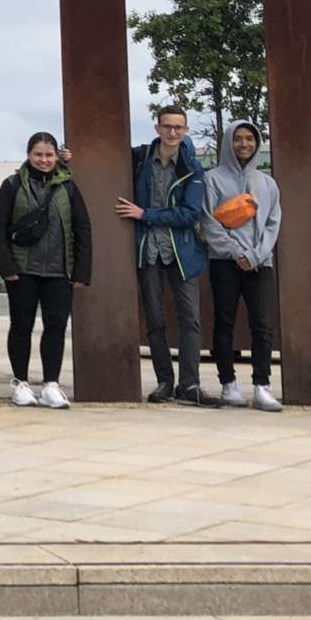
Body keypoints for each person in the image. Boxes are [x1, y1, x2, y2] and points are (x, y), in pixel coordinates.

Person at [0, 132, 92, 408]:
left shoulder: (68, 187)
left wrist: (82, 271)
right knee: (22, 325)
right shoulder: (11, 185)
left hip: (59, 271)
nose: (44, 160)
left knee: (56, 327)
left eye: (49, 155)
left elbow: (82, 227)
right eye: (38, 154)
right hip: (22, 270)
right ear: (28, 155)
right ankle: (20, 382)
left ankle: (51, 384)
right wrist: (6, 265)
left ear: (56, 156)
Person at [117, 106, 208, 405]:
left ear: (186, 130)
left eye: (178, 127)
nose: (172, 132)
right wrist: (69, 159)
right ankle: (165, 383)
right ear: (157, 128)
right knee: (155, 321)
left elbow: (190, 213)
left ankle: (190, 384)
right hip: (148, 251)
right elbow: (104, 161)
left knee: (190, 320)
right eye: (167, 126)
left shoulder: (193, 168)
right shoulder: (139, 158)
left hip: (182, 251)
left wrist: (146, 214)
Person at [200, 120, 283, 412]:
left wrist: (257, 255)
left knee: (263, 325)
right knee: (225, 323)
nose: (244, 144)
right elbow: (208, 221)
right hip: (225, 262)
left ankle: (262, 385)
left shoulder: (268, 183)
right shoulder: (212, 179)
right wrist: (235, 252)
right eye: (238, 139)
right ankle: (228, 384)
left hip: (260, 263)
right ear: (228, 142)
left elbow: (273, 224)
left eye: (250, 139)